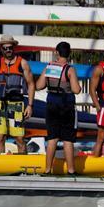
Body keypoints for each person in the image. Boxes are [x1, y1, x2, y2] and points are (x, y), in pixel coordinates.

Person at [35, 41, 80, 174]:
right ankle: (71, 170)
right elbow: (76, 90)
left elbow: (38, 86)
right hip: (66, 104)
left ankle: (48, 169)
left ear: (56, 52)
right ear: (69, 53)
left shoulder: (49, 67)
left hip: (52, 104)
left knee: (52, 138)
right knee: (67, 139)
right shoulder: (70, 69)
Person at [0, 35, 35, 154]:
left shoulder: (23, 63)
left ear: (14, 47)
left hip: (17, 104)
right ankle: (0, 165)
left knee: (19, 138)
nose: (8, 50)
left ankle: (23, 166)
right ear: (1, 48)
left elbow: (31, 84)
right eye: (5, 48)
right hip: (0, 104)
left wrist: (30, 105)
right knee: (0, 137)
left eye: (10, 47)